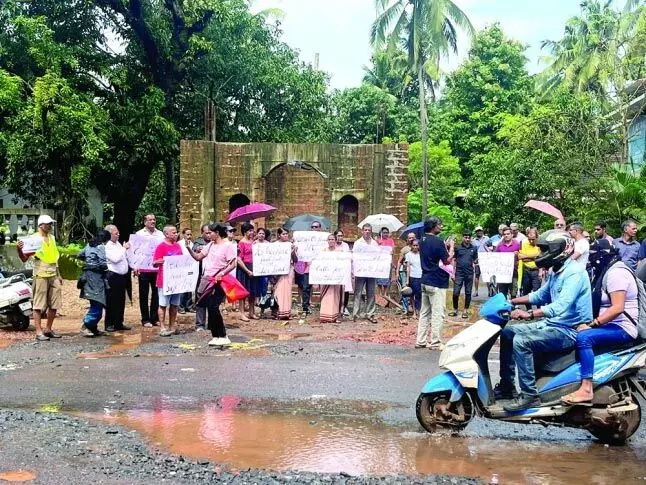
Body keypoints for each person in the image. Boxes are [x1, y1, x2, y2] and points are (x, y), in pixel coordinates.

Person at [495, 230, 592, 411]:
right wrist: (510, 302)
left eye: (544, 250)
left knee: (522, 342)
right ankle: (507, 386)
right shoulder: (557, 271)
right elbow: (540, 295)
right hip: (554, 324)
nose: (540, 254)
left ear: (559, 250)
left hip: (569, 329)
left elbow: (561, 305)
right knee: (507, 333)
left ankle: (530, 395)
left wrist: (529, 314)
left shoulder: (574, 272)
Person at [561, 240, 638, 405]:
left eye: (595, 255)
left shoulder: (617, 273)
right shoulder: (608, 270)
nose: (591, 259)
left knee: (585, 338)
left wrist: (592, 324)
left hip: (622, 327)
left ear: (603, 255)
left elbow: (617, 308)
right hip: (611, 324)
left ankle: (586, 388)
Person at [187, 224, 237, 346]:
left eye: (210, 233)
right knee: (210, 307)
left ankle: (223, 335)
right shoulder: (210, 245)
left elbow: (233, 263)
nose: (208, 235)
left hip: (219, 280)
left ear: (217, 233)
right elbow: (198, 257)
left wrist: (222, 273)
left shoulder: (227, 246)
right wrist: (189, 249)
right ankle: (215, 335)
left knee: (214, 306)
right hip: (207, 278)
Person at [17, 215, 62, 341]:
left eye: (51, 224)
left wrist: (59, 274)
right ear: (41, 225)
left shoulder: (52, 238)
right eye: (48, 224)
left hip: (53, 272)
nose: (50, 226)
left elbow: (55, 257)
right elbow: (24, 258)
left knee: (54, 303)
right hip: (40, 273)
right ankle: (38, 331)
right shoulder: (33, 239)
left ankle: (48, 328)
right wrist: (19, 249)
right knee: (38, 304)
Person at [416, 217, 454, 350]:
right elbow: (447, 261)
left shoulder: (421, 240)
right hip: (437, 281)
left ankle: (420, 340)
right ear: (433, 226)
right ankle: (436, 342)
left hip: (425, 279)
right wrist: (452, 248)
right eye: (439, 225)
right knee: (438, 312)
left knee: (424, 312)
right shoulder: (438, 242)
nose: (441, 227)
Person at [77, 230, 111, 337]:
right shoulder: (101, 247)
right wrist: (106, 271)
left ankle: (93, 327)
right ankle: (87, 324)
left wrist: (89, 261)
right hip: (96, 278)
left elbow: (79, 255)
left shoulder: (89, 245)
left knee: (95, 302)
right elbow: (102, 263)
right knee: (98, 302)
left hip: (87, 277)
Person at [152, 225, 184, 337]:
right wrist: (163, 261)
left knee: (174, 304)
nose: (176, 234)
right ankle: (162, 326)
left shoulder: (178, 246)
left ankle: (171, 325)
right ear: (166, 234)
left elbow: (182, 261)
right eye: (173, 233)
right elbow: (154, 263)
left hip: (176, 280)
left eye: (176, 232)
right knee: (163, 304)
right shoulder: (161, 247)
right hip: (164, 280)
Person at [136, 214, 164, 327]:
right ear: (145, 222)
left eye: (154, 219)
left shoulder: (161, 234)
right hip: (143, 268)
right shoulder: (139, 234)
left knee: (156, 294)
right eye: (150, 220)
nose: (152, 221)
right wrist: (135, 266)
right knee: (143, 294)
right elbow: (135, 251)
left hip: (156, 269)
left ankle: (154, 318)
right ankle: (145, 319)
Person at [104, 224, 131, 332]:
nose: (118, 235)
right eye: (116, 233)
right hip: (112, 275)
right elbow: (115, 258)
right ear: (109, 234)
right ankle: (109, 324)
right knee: (111, 300)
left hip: (121, 276)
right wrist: (124, 249)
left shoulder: (118, 244)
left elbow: (124, 257)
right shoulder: (107, 246)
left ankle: (118, 322)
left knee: (121, 300)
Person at [352, 223, 379, 324]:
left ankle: (370, 314)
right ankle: (355, 314)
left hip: (371, 271)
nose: (367, 232)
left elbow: (378, 257)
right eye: (365, 230)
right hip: (361, 271)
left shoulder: (374, 244)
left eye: (369, 230)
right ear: (362, 231)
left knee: (371, 293)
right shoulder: (358, 243)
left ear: (371, 231)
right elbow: (354, 257)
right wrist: (354, 271)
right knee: (358, 292)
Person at [294, 220, 321, 316]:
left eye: (316, 227)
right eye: (313, 227)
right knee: (304, 286)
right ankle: (305, 306)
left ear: (320, 228)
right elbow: (299, 253)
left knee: (316, 286)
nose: (314, 228)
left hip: (319, 266)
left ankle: (321, 307)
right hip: (305, 266)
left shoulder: (322, 241)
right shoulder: (304, 239)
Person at [450, 231, 478, 319]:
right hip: (459, 273)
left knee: (468, 292)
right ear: (463, 238)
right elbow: (454, 260)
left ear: (471, 238)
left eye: (469, 237)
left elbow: (475, 259)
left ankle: (465, 310)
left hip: (469, 273)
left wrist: (477, 262)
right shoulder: (458, 248)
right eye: (466, 237)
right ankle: (455, 309)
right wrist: (452, 272)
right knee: (456, 292)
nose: (467, 239)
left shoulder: (474, 248)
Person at [272, 228, 297, 320]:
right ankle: (276, 312)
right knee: (277, 291)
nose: (285, 236)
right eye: (283, 234)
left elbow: (295, 260)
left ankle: (286, 313)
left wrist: (293, 251)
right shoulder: (274, 245)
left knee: (287, 291)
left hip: (288, 270)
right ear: (279, 235)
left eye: (286, 234)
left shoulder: (290, 245)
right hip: (277, 271)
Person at [320, 234, 345, 323]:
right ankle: (325, 316)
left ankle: (336, 316)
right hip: (326, 278)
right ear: (327, 241)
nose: (331, 241)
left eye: (333, 239)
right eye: (329, 239)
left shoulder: (340, 252)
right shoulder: (323, 251)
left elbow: (343, 264)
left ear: (335, 240)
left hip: (336, 278)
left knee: (335, 296)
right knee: (327, 296)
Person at [236, 222, 257, 321]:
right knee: (243, 292)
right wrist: (247, 270)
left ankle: (252, 312)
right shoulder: (241, 243)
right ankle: (242, 313)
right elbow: (239, 259)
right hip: (244, 268)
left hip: (254, 266)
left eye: (252, 230)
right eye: (250, 231)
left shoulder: (253, 242)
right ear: (245, 232)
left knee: (252, 291)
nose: (252, 232)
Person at [517, 228, 541, 309]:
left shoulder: (540, 244)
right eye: (529, 239)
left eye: (533, 239)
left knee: (537, 290)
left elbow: (539, 257)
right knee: (526, 290)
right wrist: (533, 257)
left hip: (536, 270)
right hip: (526, 270)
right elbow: (521, 257)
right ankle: (529, 309)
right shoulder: (523, 243)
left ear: (537, 237)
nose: (531, 241)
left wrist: (527, 257)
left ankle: (539, 309)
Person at [193, 224, 211, 330]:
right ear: (202, 233)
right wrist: (199, 249)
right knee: (200, 298)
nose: (209, 235)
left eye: (210, 232)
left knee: (213, 300)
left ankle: (213, 322)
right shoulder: (198, 242)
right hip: (201, 274)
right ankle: (200, 324)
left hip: (213, 274)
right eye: (206, 233)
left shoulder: (216, 243)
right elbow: (195, 249)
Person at [495, 227, 521, 298]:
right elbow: (495, 257)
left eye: (508, 234)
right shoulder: (499, 245)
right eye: (504, 234)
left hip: (514, 272)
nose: (506, 235)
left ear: (512, 234)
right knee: (502, 293)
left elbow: (522, 257)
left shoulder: (518, 244)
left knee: (513, 292)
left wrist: (518, 254)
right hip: (502, 273)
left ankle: (513, 306)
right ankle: (504, 307)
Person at [395, 232, 417, 314]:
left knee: (414, 290)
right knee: (405, 290)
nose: (411, 239)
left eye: (413, 237)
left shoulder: (418, 249)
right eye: (410, 238)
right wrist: (397, 272)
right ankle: (405, 309)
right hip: (404, 272)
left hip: (415, 272)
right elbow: (399, 262)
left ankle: (414, 308)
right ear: (407, 239)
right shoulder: (404, 249)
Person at [334, 229, 352, 315]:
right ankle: (336, 307)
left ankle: (344, 307)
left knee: (346, 289)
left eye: (341, 236)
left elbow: (348, 257)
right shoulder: (332, 245)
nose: (340, 238)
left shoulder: (346, 246)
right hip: (335, 271)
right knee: (336, 289)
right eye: (338, 236)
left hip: (345, 270)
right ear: (335, 237)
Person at [177, 228, 194, 314]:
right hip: (182, 267)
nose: (189, 236)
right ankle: (181, 306)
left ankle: (189, 306)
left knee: (189, 287)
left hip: (190, 267)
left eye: (190, 234)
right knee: (182, 288)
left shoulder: (192, 244)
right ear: (183, 235)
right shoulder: (179, 244)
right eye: (187, 234)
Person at [405, 239, 422, 317]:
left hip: (421, 276)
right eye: (414, 245)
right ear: (411, 246)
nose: (415, 247)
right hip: (413, 276)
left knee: (420, 294)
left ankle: (419, 311)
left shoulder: (422, 254)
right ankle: (414, 312)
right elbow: (408, 268)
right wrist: (407, 280)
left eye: (417, 245)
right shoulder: (408, 255)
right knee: (412, 295)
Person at [376, 227, 395, 298]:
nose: (385, 234)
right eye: (384, 232)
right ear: (381, 233)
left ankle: (385, 294)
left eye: (387, 232)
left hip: (387, 263)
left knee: (387, 279)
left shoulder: (391, 241)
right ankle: (380, 295)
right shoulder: (377, 241)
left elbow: (392, 251)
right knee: (379, 280)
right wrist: (378, 244)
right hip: (379, 263)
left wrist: (391, 253)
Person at [472, 226, 489, 297]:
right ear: (476, 232)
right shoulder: (473, 240)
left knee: (487, 275)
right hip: (477, 259)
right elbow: (472, 251)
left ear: (482, 231)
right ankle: (476, 291)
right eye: (477, 231)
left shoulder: (487, 238)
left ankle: (489, 291)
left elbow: (491, 248)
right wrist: (473, 260)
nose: (479, 232)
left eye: (480, 230)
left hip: (486, 259)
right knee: (477, 275)